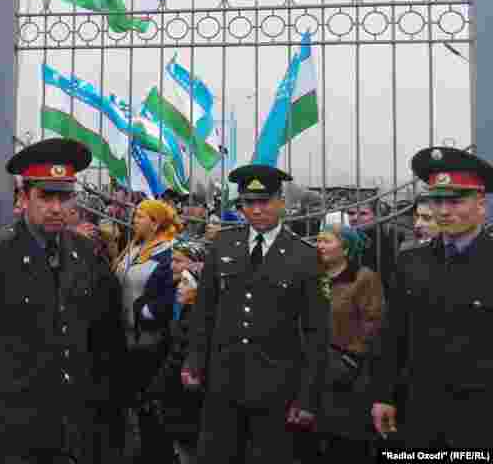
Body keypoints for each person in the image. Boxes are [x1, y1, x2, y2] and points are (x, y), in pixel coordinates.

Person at [0, 138, 126, 464]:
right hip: (11, 422)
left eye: (64, 197)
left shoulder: (85, 254)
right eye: (46, 196)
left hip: (70, 425)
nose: (56, 208)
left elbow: (102, 335)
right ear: (24, 198)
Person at [183, 164, 329, 462]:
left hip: (276, 387)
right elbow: (204, 313)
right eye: (249, 202)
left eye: (265, 201)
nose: (257, 209)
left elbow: (316, 332)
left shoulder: (304, 256)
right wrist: (195, 361)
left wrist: (307, 396)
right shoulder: (223, 245)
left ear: (281, 203)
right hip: (224, 382)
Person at [372, 147, 493, 450]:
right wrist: (384, 395)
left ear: (481, 204)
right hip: (420, 413)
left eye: (455, 201)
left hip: (481, 418)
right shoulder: (411, 262)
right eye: (437, 201)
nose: (444, 211)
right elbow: (393, 335)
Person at [309, 223, 383, 461]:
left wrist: (349, 359)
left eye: (327, 241)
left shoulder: (363, 278)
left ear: (346, 249)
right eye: (318, 240)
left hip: (347, 372)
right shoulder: (312, 275)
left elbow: (373, 322)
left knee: (344, 440)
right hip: (312, 368)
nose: (320, 246)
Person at [115, 198, 178, 461]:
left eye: (141, 216)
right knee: (129, 399)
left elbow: (171, 293)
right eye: (136, 215)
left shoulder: (169, 251)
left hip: (149, 339)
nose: (135, 220)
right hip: (125, 336)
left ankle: (156, 454)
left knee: (149, 401)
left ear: (155, 223)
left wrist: (145, 313)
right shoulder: (133, 247)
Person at [152, 240, 206, 464]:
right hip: (176, 396)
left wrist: (159, 386)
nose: (180, 287)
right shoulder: (185, 310)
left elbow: (180, 356)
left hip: (187, 399)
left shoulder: (197, 320)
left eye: (186, 282)